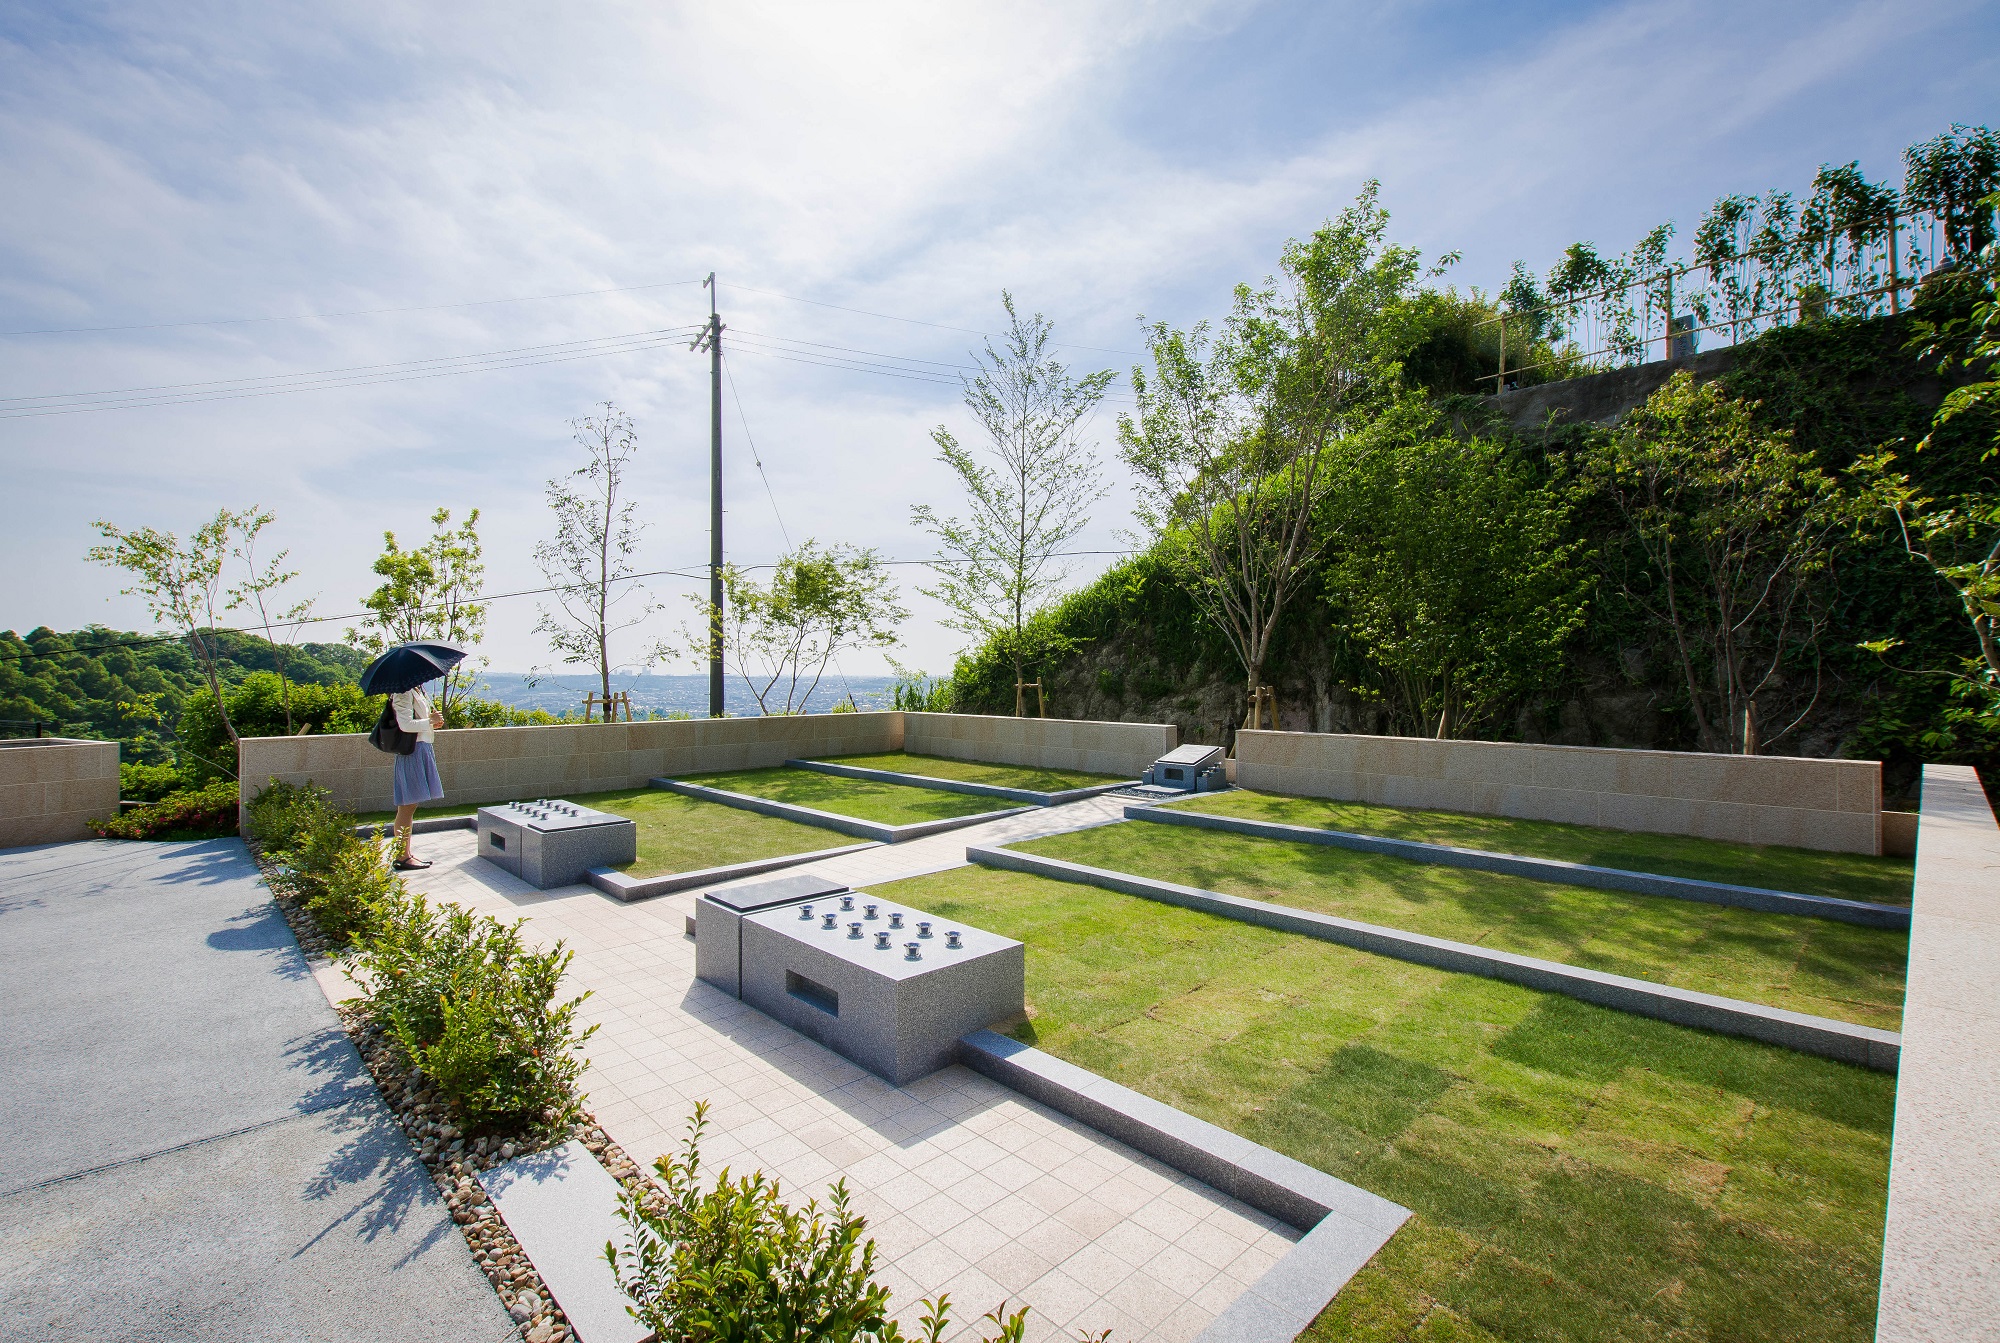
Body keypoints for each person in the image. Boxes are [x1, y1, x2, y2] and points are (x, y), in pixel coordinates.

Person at [389, 679, 446, 870]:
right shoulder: (403, 691)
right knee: (407, 806)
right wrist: (430, 721)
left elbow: (416, 722)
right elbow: (405, 725)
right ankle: (402, 857)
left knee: (409, 806)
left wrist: (431, 724)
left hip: (421, 748)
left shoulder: (415, 690)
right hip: (413, 751)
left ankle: (404, 854)